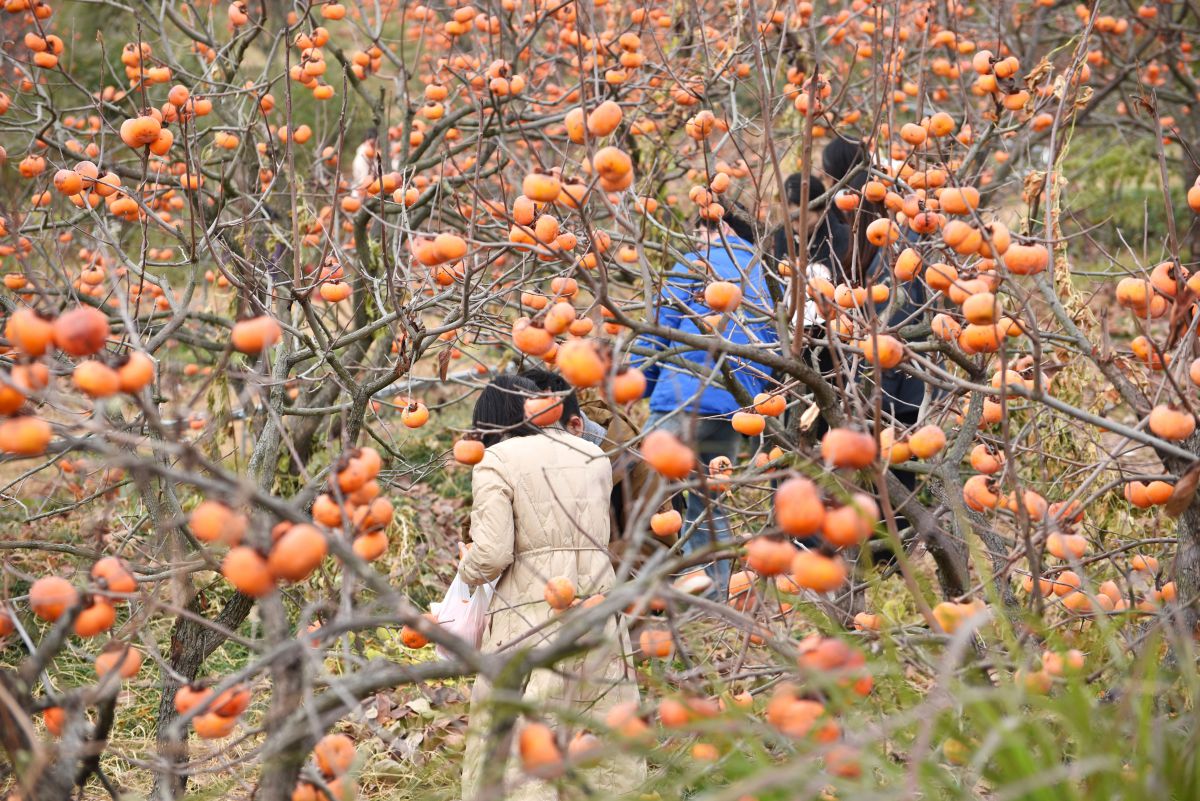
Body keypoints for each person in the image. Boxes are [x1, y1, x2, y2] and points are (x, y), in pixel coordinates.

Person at [457, 374, 645, 801]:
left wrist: (465, 572)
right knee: (596, 713)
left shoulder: (498, 460)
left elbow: (491, 554)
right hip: (595, 595)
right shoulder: (592, 456)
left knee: (522, 728)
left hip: (531, 603)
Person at [638, 210, 778, 597]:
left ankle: (648, 585)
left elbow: (657, 329)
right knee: (709, 497)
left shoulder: (693, 266)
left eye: (702, 231)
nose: (698, 240)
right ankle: (717, 591)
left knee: (645, 487)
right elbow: (777, 343)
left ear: (724, 226)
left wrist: (640, 381)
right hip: (736, 408)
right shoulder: (767, 274)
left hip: (683, 397)